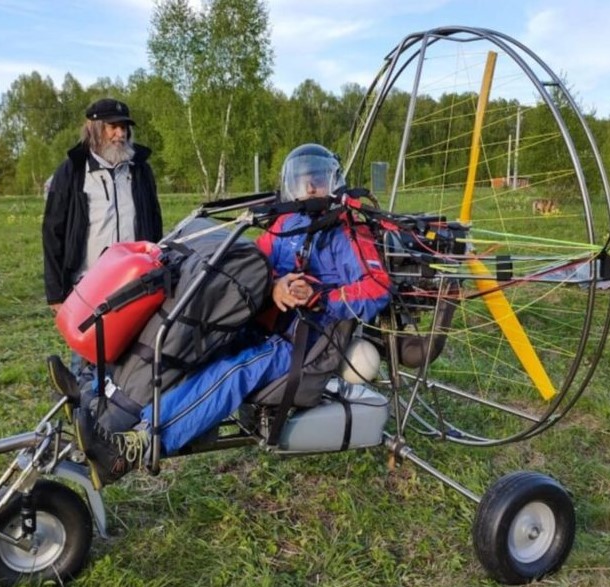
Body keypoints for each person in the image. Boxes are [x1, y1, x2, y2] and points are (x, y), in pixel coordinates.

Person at [74, 143, 393, 487]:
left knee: (233, 371)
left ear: (334, 182)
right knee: (193, 340)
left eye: (317, 181)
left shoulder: (348, 234)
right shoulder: (286, 223)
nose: (311, 189)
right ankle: (100, 394)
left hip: (304, 341)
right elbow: (256, 266)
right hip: (261, 321)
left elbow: (377, 287)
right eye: (303, 182)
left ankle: (138, 445)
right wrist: (274, 286)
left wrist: (320, 296)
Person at [43, 98, 163, 379]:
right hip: (88, 286)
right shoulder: (72, 171)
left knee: (134, 361)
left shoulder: (140, 170)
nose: (120, 134)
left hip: (135, 284)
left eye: (124, 127)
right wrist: (55, 293)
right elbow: (52, 232)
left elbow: (154, 224)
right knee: (88, 360)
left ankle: (122, 415)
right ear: (94, 128)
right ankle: (84, 416)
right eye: (113, 127)